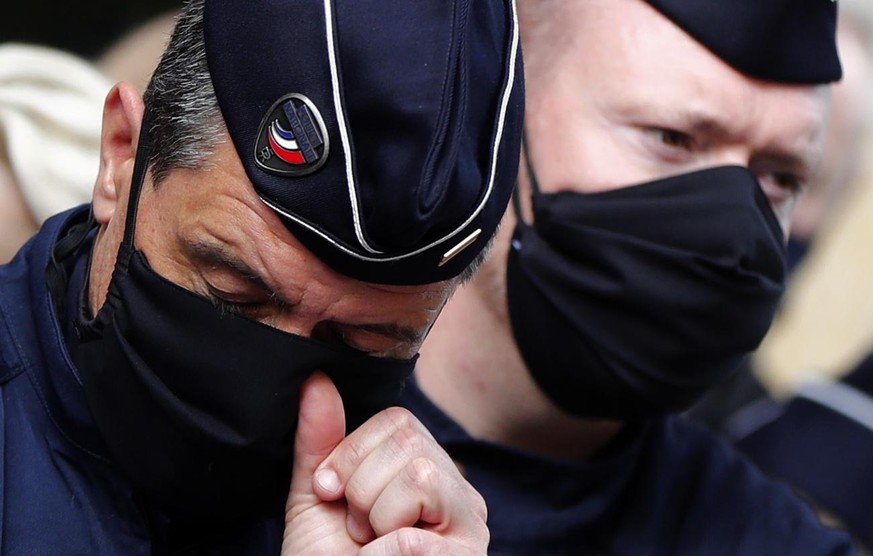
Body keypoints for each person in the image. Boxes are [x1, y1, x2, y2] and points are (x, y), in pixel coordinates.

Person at [0, 0, 523, 554]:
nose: (261, 388)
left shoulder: (402, 513)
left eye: (356, 343)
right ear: (121, 153)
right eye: (234, 296)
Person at [401, 0, 856, 554]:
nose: (733, 228)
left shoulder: (774, 543)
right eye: (670, 138)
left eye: (780, 175)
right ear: (496, 107)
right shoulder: (286, 451)